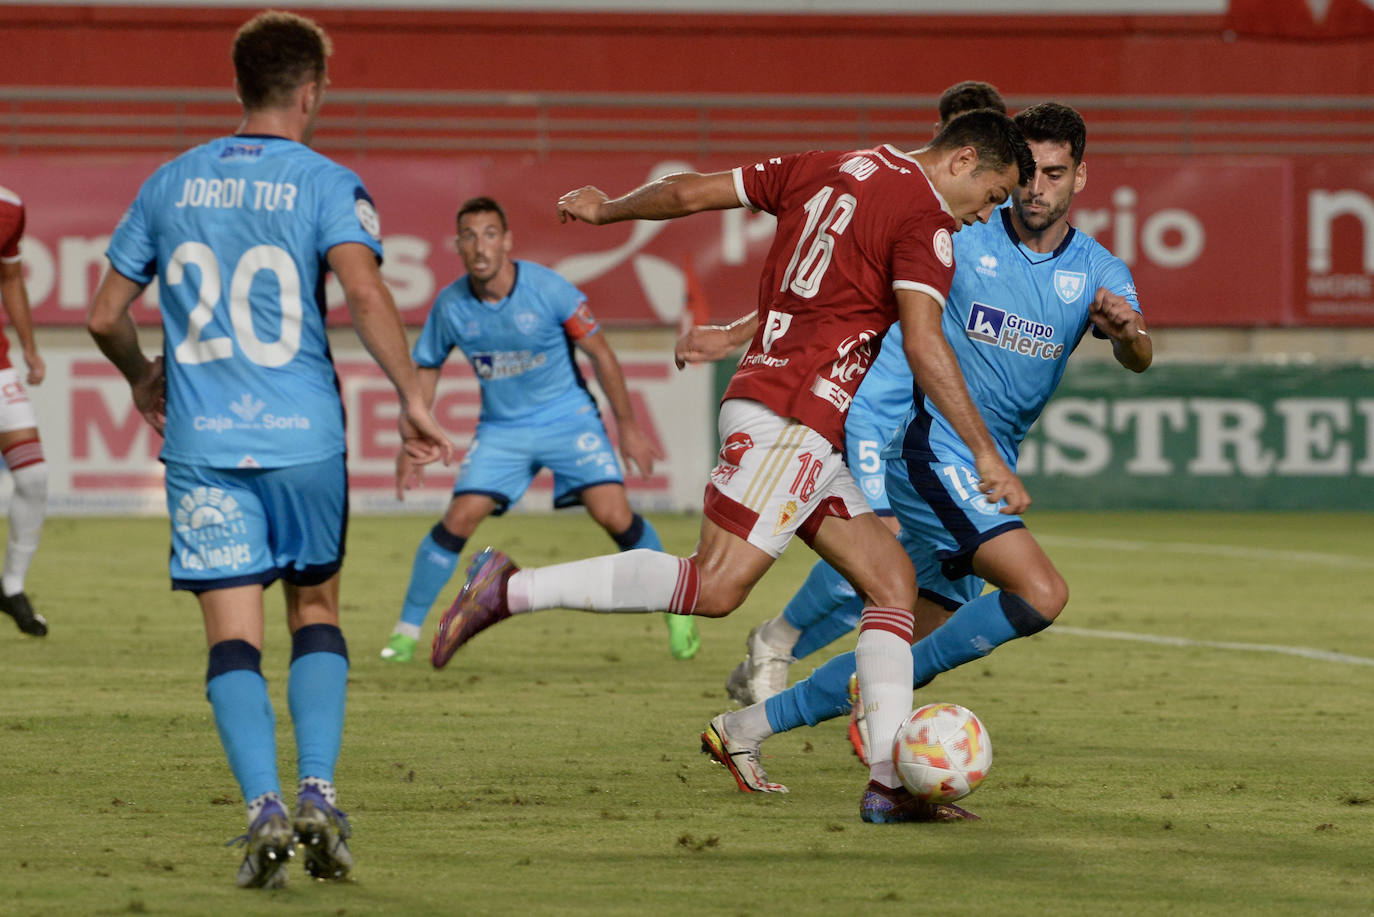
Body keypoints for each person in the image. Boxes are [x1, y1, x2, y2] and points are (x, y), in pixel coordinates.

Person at [433, 111, 1036, 822]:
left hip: (783, 407)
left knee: (891, 580)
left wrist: (609, 210)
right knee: (714, 587)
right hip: (792, 416)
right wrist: (986, 451)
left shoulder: (830, 162)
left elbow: (688, 193)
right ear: (964, 160)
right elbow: (925, 340)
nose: (985, 215)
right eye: (994, 195)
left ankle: (884, 780)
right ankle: (512, 587)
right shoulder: (926, 220)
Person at [699, 102, 1152, 820]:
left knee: (909, 632)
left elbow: (1140, 354)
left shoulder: (1099, 270)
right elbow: (851, 285)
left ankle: (745, 729)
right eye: (1027, 173)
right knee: (1042, 592)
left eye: (1055, 175)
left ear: (1081, 177)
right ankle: (875, 732)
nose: (1037, 189)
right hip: (932, 449)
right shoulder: (961, 233)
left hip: (983, 460)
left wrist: (1127, 332)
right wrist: (739, 328)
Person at [86, 11, 454, 889]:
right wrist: (412, 396)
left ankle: (262, 810)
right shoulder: (327, 181)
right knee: (315, 608)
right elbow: (364, 293)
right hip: (304, 442)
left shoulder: (169, 183)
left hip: (205, 445)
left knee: (232, 638)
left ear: (241, 85)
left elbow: (103, 315)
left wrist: (144, 376)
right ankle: (319, 791)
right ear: (309, 91)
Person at [719, 80, 1008, 706]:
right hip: (869, 397)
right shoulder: (904, 196)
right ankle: (790, 648)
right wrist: (742, 330)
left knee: (937, 579)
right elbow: (819, 285)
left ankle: (805, 656)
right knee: (882, 539)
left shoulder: (987, 223)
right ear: (951, 141)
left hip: (926, 411)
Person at [382, 195, 698, 663]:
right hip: (502, 429)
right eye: (469, 237)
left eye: (489, 234)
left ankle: (677, 607)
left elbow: (602, 355)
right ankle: (405, 634)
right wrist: (414, 434)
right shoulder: (450, 306)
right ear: (458, 246)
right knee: (460, 517)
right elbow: (425, 367)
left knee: (614, 516)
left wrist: (628, 427)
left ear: (507, 241)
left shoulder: (550, 290)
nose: (480, 246)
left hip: (567, 418)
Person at [0, 186, 50, 637]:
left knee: (33, 478)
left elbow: (11, 278)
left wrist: (30, 349)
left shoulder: (10, 206)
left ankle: (10, 585)